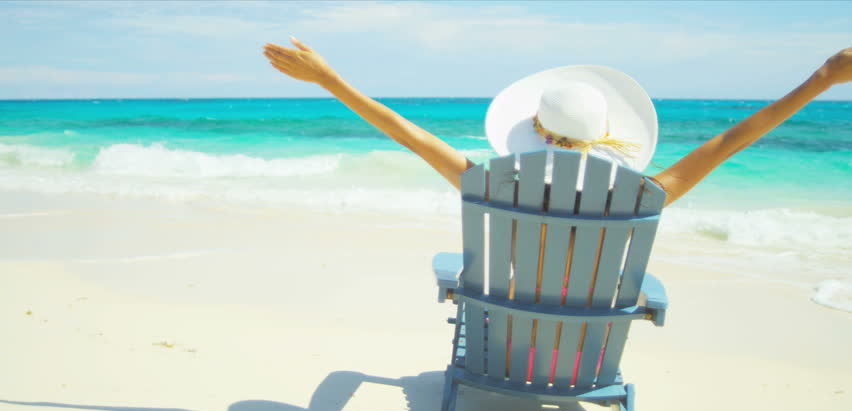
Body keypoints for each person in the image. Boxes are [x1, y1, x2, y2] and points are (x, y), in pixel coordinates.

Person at [263, 38, 852, 206]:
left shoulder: (490, 183)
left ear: (531, 129)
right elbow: (729, 141)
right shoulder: (642, 198)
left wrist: (331, 81)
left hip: (503, 344)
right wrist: (820, 81)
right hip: (586, 356)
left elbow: (404, 132)